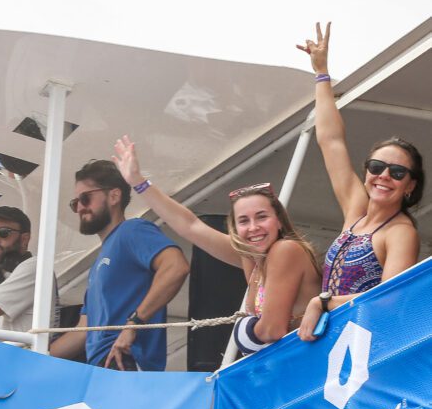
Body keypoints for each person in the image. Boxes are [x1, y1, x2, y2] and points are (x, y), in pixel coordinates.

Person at [296, 22, 425, 409]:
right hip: (335, 358)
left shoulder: (401, 232)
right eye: (377, 166)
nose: (382, 176)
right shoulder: (355, 212)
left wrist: (323, 302)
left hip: (375, 361)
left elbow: (390, 301)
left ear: (412, 186)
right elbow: (329, 140)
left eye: (398, 172)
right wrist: (322, 74)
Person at [112, 135, 321, 356]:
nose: (253, 227)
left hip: (307, 363)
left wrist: (245, 332)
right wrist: (138, 182)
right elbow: (190, 225)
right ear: (234, 227)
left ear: (279, 220)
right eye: (243, 221)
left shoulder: (285, 250)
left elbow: (272, 329)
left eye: (261, 217)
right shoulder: (251, 258)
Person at [49, 160, 189, 370]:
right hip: (101, 367)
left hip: (125, 361)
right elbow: (84, 329)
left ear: (114, 196)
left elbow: (176, 266)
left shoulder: (132, 230)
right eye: (74, 202)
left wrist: (134, 323)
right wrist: (33, 356)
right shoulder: (98, 264)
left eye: (85, 198)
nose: (79, 208)